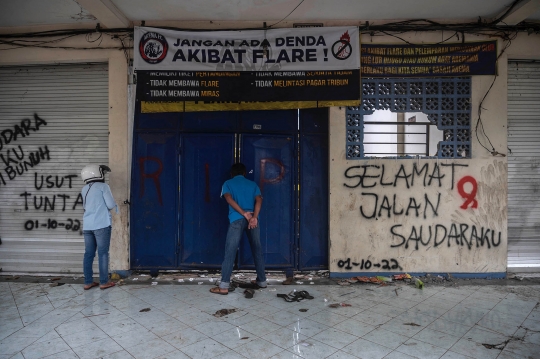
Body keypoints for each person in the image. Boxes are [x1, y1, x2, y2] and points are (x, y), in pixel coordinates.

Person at [210, 163, 267, 295]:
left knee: (230, 251)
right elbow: (259, 200)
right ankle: (262, 281)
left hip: (236, 219)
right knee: (257, 249)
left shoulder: (227, 183)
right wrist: (254, 217)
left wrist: (242, 213)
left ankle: (223, 286)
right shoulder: (253, 184)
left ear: (232, 174)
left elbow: (228, 199)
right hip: (253, 220)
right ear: (245, 173)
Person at [80, 164, 118, 290]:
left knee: (88, 254)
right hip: (101, 224)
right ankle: (103, 281)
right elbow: (111, 204)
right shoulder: (103, 186)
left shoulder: (84, 189)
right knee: (103, 253)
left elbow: (85, 206)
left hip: (87, 225)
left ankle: (88, 282)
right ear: (97, 173)